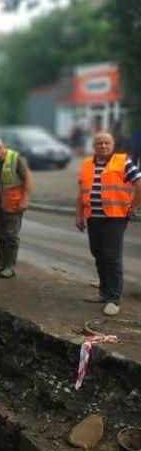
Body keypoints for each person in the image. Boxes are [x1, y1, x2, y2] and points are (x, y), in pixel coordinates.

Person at [75, 131, 141, 316]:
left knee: (112, 257)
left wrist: (132, 207)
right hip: (93, 217)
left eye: (107, 143)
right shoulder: (87, 164)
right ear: (94, 146)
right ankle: (103, 293)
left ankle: (114, 299)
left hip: (115, 218)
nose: (103, 146)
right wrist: (78, 215)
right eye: (99, 143)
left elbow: (139, 184)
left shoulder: (123, 161)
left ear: (112, 145)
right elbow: (82, 192)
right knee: (98, 254)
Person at [0, 136, 33, 278]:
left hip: (13, 203)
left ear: (0, 147)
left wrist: (26, 199)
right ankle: (2, 263)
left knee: (11, 235)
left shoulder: (15, 158)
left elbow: (28, 178)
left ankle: (10, 266)